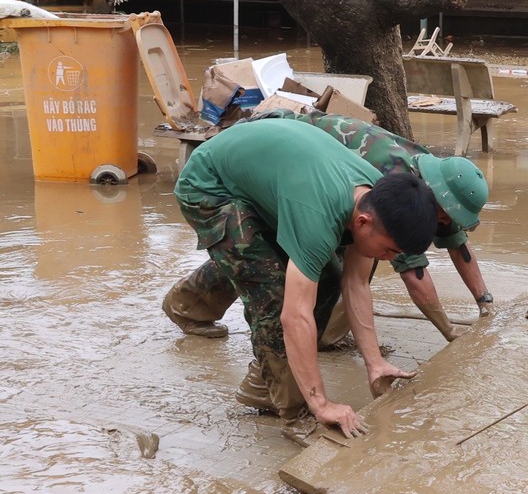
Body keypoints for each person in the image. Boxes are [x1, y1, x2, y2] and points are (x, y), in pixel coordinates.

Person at [171, 116, 438, 437]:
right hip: (209, 184)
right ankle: (291, 411)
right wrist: (319, 404)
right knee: (270, 288)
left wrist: (375, 363)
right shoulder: (320, 215)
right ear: (364, 222)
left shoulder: (374, 194)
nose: (390, 259)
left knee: (326, 273)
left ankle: (190, 308)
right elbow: (293, 316)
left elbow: (354, 284)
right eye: (390, 250)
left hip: (266, 176)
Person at [163, 109, 496, 346]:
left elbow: (456, 243)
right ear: (437, 199)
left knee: (316, 265)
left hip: (306, 176)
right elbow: (412, 270)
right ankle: (192, 308)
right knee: (266, 262)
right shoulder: (393, 183)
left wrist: (485, 303)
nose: (445, 224)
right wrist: (449, 330)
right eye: (444, 216)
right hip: (270, 160)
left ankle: (312, 337)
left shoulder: (434, 183)